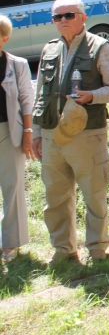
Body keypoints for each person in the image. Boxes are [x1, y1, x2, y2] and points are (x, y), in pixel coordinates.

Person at [32, 0, 109, 263]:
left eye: (68, 15)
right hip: (51, 134)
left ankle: (97, 248)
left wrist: (92, 96)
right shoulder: (49, 49)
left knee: (94, 194)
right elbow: (40, 94)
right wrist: (37, 134)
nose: (62, 20)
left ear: (83, 17)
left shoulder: (100, 47)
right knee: (55, 197)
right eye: (57, 17)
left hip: (87, 133)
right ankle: (63, 248)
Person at [0, 14, 36, 264]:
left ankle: (10, 243)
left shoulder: (18, 64)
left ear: (4, 38)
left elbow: (26, 99)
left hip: (10, 131)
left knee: (12, 187)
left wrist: (28, 132)